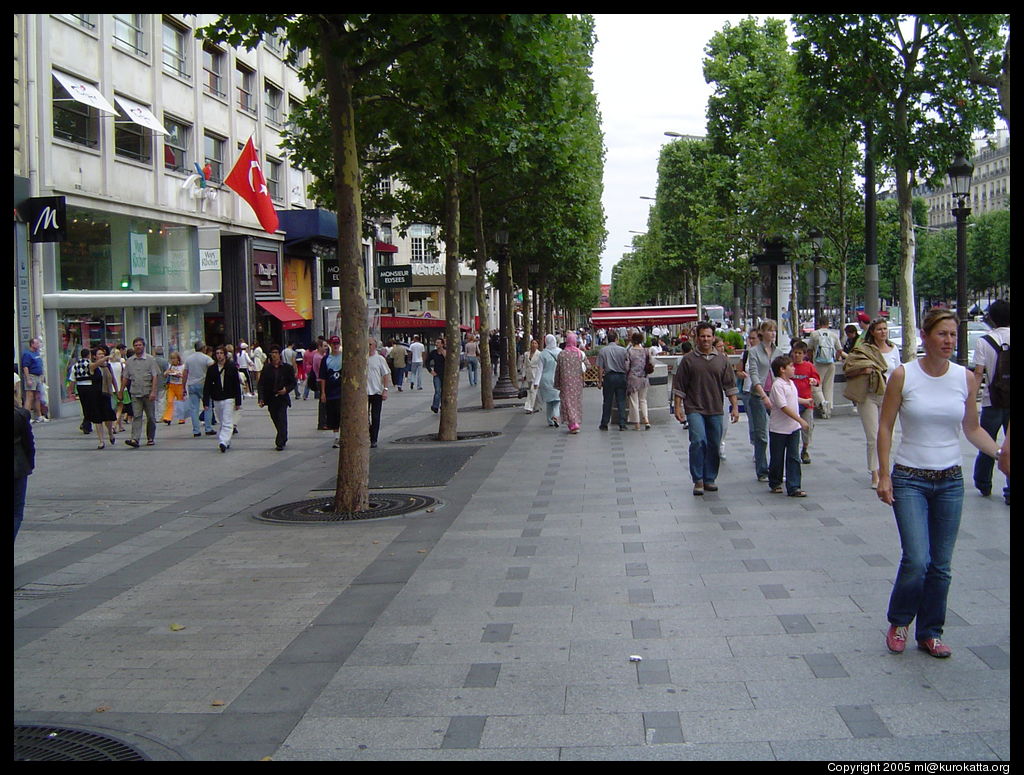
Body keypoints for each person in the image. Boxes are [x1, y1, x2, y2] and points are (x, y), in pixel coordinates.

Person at [877, 307, 1003, 659]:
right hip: (910, 478)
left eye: (953, 335)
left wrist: (999, 454)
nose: (949, 341)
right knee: (917, 558)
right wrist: (883, 473)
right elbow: (885, 426)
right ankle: (900, 620)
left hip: (949, 480)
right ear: (925, 337)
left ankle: (930, 631)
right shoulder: (904, 375)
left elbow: (973, 428)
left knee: (941, 564)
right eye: (942, 334)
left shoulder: (965, 378)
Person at [672, 322, 739, 495]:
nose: (706, 339)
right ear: (696, 338)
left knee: (714, 444)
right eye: (702, 336)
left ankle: (710, 478)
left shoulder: (722, 360)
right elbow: (679, 385)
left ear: (713, 337)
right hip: (694, 408)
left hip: (715, 408)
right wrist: (678, 407)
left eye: (709, 336)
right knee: (698, 441)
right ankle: (698, 479)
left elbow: (730, 385)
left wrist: (735, 406)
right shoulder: (689, 360)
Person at [844, 317, 899, 489]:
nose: (883, 332)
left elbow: (898, 371)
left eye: (885, 328)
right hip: (869, 394)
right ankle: (875, 473)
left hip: (889, 395)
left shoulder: (894, 349)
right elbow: (849, 367)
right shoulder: (864, 350)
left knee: (890, 435)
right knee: (873, 436)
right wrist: (863, 370)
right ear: (872, 332)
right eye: (879, 329)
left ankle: (885, 469)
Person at [972, 299, 1010, 505]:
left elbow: (978, 373)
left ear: (992, 318)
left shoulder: (984, 341)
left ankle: (983, 483)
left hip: (991, 400)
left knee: (987, 443)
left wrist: (971, 397)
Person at [767, 354, 812, 497]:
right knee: (777, 457)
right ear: (782, 369)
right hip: (779, 429)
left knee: (793, 457)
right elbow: (783, 406)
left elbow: (792, 398)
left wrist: (804, 401)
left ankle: (794, 486)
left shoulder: (791, 383)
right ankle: (775, 481)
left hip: (793, 428)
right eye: (790, 366)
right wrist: (800, 420)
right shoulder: (777, 385)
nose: (794, 368)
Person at [745, 319, 780, 483]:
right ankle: (762, 470)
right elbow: (754, 374)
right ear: (762, 332)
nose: (772, 333)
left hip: (775, 395)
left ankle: (776, 468)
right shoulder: (754, 352)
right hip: (758, 396)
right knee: (761, 435)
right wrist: (763, 395)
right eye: (769, 330)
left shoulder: (778, 352)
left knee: (777, 433)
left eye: (774, 330)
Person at [123, 337, 162, 448]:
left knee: (150, 417)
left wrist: (154, 391)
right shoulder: (130, 361)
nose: (138, 347)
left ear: (143, 346)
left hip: (148, 392)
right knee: (137, 416)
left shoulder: (151, 360)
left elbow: (155, 376)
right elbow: (125, 377)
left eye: (140, 345)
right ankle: (135, 439)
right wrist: (121, 390)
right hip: (135, 393)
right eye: (135, 345)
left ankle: (150, 437)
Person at [203, 345, 243, 453]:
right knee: (221, 420)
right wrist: (206, 401)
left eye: (221, 353)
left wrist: (238, 401)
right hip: (217, 398)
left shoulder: (231, 367)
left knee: (227, 420)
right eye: (217, 353)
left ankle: (223, 442)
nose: (219, 355)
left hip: (229, 398)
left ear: (225, 355)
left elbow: (236, 384)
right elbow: (207, 386)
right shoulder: (212, 369)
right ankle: (227, 440)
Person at [260, 345, 297, 451]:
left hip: (282, 398)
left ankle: (280, 442)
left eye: (276, 353)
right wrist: (261, 398)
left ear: (279, 354)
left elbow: (293, 383)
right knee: (275, 419)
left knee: (282, 419)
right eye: (272, 353)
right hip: (271, 398)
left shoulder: (287, 368)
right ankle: (283, 436)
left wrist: (286, 389)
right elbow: (261, 384)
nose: (274, 355)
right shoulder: (267, 368)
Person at [789, 340, 821, 465]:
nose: (796, 355)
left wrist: (814, 381)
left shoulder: (809, 366)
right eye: (795, 353)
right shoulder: (790, 366)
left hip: (807, 402)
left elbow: (817, 379)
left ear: (804, 354)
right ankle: (794, 450)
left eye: (799, 353)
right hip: (793, 402)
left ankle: (805, 449)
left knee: (807, 427)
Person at [14, 375, 36, 541]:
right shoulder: (20, 416)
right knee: (16, 511)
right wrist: (30, 464)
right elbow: (29, 444)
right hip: (18, 466)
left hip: (20, 466)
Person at [554, 331, 586, 434]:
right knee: (575, 402)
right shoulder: (579, 353)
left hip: (565, 382)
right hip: (577, 383)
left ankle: (572, 423)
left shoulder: (562, 354)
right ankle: (575, 421)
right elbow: (588, 366)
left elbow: (558, 369)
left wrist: (557, 383)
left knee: (567, 402)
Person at [809, 319, 843, 418]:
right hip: (831, 363)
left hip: (818, 363)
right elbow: (840, 350)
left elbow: (810, 349)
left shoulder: (814, 334)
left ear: (819, 324)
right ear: (828, 324)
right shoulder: (834, 335)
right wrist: (835, 358)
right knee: (828, 387)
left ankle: (822, 404)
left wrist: (811, 361)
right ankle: (828, 410)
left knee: (816, 386)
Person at [86, 345, 118, 449]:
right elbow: (96, 365)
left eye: (103, 354)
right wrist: (107, 357)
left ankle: (110, 433)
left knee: (108, 418)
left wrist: (117, 390)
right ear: (94, 356)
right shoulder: (92, 366)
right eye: (99, 354)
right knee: (97, 418)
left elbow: (112, 378)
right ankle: (101, 440)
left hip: (106, 394)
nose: (102, 356)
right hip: (95, 394)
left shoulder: (107, 366)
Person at [596, 330, 629, 431]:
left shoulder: (603, 351)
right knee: (621, 401)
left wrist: (600, 381)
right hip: (621, 376)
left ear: (607, 339)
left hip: (609, 377)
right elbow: (627, 365)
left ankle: (604, 423)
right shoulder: (623, 350)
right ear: (616, 339)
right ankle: (622, 423)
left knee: (607, 401)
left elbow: (600, 368)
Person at [182, 341, 216, 438]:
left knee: (194, 408)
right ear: (204, 348)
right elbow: (213, 370)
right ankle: (208, 428)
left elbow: (185, 373)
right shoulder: (206, 359)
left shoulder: (189, 359)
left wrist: (183, 386)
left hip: (192, 385)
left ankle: (196, 430)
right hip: (204, 385)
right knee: (207, 405)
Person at [367, 338, 392, 448]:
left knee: (375, 416)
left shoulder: (380, 359)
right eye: (366, 344)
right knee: (365, 418)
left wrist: (385, 390)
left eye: (370, 344)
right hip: (364, 393)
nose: (368, 346)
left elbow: (386, 375)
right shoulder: (361, 358)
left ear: (375, 346)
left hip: (376, 391)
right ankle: (367, 435)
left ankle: (374, 439)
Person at [319, 336, 344, 447]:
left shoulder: (344, 357)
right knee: (333, 416)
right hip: (331, 392)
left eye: (337, 343)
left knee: (342, 414)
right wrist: (323, 392)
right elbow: (322, 377)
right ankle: (336, 438)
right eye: (333, 343)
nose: (335, 346)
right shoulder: (326, 359)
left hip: (342, 392)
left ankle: (343, 436)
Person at [626, 331, 652, 431]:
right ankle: (646, 419)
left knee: (634, 402)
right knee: (643, 400)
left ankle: (637, 424)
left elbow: (626, 366)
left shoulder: (630, 351)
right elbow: (651, 362)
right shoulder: (646, 351)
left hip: (633, 378)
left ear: (632, 340)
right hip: (644, 378)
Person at [536, 334, 562, 428]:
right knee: (557, 400)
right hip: (557, 379)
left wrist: (536, 383)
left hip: (545, 380)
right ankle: (556, 416)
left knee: (549, 401)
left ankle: (550, 420)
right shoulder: (560, 352)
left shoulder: (542, 354)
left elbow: (539, 369)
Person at [20, 337, 48, 423]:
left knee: (38, 396)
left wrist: (42, 376)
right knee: (30, 397)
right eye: (37, 343)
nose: (38, 345)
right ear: (32, 344)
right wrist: (28, 379)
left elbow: (40, 365)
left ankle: (39, 416)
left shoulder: (37, 353)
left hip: (38, 376)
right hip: (31, 376)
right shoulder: (27, 354)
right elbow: (25, 367)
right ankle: (26, 417)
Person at [69, 347, 94, 436]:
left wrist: (71, 391)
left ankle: (86, 424)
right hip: (90, 386)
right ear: (88, 355)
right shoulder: (90, 364)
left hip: (80, 387)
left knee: (84, 405)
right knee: (90, 406)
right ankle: (86, 424)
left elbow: (72, 379)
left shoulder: (75, 365)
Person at [160, 351, 187, 425]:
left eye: (174, 358)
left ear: (178, 359)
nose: (173, 360)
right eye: (171, 358)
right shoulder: (170, 366)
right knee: (170, 401)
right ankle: (167, 418)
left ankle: (181, 418)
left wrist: (179, 375)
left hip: (179, 386)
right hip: (171, 386)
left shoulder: (182, 366)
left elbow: (185, 376)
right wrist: (167, 372)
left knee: (180, 403)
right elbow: (165, 374)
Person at [425, 338, 447, 414]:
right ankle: (435, 406)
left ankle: (443, 405)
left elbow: (451, 362)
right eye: (436, 342)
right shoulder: (433, 353)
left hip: (445, 374)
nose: (436, 344)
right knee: (438, 391)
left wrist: (445, 355)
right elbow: (427, 361)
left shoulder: (446, 352)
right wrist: (431, 371)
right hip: (437, 374)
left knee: (444, 391)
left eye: (438, 343)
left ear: (442, 344)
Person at [520, 338, 541, 413]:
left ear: (538, 345)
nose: (534, 345)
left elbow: (540, 366)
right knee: (533, 391)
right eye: (532, 343)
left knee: (532, 390)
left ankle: (529, 407)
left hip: (536, 374)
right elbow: (524, 365)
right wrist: (523, 375)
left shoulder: (539, 354)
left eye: (535, 343)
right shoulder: (526, 354)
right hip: (529, 374)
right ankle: (536, 406)